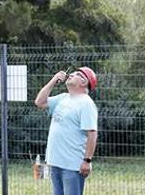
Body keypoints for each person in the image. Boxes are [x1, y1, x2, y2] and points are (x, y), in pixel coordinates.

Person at [34, 67, 98, 195]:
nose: (71, 74)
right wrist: (54, 80)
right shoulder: (63, 98)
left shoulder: (86, 103)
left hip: (72, 165)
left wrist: (87, 161)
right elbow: (39, 102)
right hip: (54, 162)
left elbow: (92, 134)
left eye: (76, 74)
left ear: (84, 82)